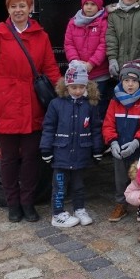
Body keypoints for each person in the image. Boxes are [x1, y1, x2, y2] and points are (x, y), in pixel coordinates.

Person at [0, 0, 60, 223]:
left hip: (32, 105)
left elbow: (50, 69)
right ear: (8, 9)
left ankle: (27, 202)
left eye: (22, 6)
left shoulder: (41, 36)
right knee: (9, 158)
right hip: (5, 105)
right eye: (14, 6)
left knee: (31, 158)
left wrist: (63, 91)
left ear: (30, 9)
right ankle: (13, 204)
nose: (18, 10)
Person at [40, 61, 104, 228]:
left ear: (86, 86)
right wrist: (46, 149)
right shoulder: (56, 104)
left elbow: (96, 128)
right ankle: (57, 213)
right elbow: (48, 127)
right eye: (73, 87)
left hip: (80, 153)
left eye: (81, 87)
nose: (77, 91)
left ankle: (79, 209)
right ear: (66, 86)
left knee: (79, 185)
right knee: (60, 186)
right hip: (61, 152)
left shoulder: (90, 105)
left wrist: (98, 149)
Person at [102, 61, 140, 222]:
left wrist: (136, 142)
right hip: (119, 147)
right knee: (120, 178)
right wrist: (112, 141)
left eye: (134, 81)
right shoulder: (115, 101)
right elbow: (108, 123)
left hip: (139, 149)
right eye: (126, 80)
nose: (130, 84)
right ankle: (121, 203)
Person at [64, 0, 111, 119]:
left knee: (97, 108)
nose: (89, 7)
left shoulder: (103, 22)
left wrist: (91, 63)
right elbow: (69, 43)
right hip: (78, 73)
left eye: (93, 4)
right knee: (81, 109)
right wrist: (74, 61)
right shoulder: (73, 22)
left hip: (99, 74)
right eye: (86, 4)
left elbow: (104, 45)